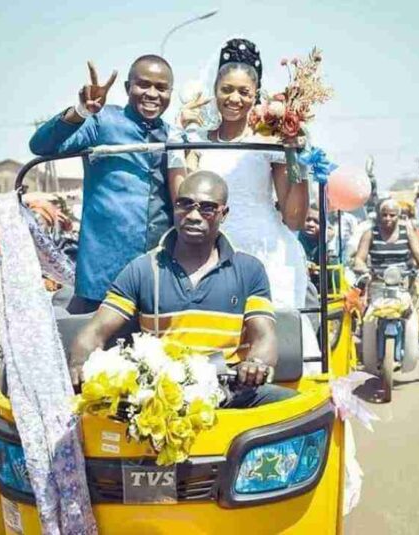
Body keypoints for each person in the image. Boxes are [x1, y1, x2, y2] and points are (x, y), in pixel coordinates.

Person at [71, 171, 296, 408]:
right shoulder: (143, 269)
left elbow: (265, 336)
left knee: (298, 410)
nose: (194, 215)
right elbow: (94, 332)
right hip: (160, 398)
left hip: (231, 393)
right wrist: (79, 362)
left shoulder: (249, 269)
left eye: (207, 208)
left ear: (224, 214)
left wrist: (256, 363)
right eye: (185, 204)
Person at [29, 55, 184, 313]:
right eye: (143, 85)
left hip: (157, 273)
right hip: (102, 276)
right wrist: (81, 112)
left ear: (170, 93)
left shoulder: (172, 134)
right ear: (127, 88)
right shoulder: (101, 121)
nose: (152, 94)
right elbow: (40, 146)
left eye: (161, 87)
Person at [177, 38, 310, 313]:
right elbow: (185, 197)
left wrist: (297, 156)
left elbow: (294, 217)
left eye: (243, 91)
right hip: (208, 252)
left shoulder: (269, 143)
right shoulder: (197, 140)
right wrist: (185, 134)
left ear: (255, 94)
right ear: (214, 91)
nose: (234, 99)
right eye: (226, 90)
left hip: (266, 253)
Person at [352, 198, 419, 382]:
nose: (388, 218)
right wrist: (361, 268)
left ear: (399, 217)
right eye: (384, 215)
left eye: (392, 215)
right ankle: (367, 356)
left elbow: (418, 253)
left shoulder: (406, 231)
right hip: (378, 284)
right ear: (378, 216)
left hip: (405, 283)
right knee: (365, 321)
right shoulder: (370, 233)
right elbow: (359, 258)